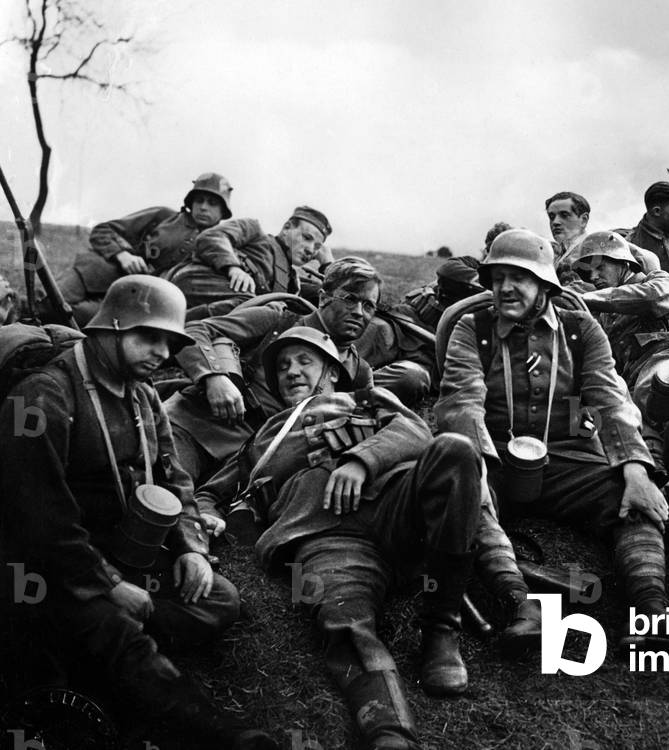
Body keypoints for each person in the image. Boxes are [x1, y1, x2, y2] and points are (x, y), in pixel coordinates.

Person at [0, 276, 273, 748]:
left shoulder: (141, 392)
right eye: (150, 337)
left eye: (169, 342)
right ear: (110, 327)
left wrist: (191, 547)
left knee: (220, 599)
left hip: (124, 548)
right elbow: (39, 521)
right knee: (111, 627)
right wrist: (108, 585)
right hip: (49, 567)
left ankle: (86, 649)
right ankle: (220, 735)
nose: (163, 353)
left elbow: (175, 479)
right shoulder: (44, 395)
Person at [195, 327, 483, 750]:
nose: (291, 371)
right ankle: (390, 732)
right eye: (283, 366)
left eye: (304, 361)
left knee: (456, 450)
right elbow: (210, 492)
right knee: (343, 617)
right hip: (325, 535)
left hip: (396, 505)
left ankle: (441, 629)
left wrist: (361, 461)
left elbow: (418, 432)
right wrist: (206, 512)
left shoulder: (364, 399)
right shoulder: (261, 438)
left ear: (331, 371)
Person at [436, 229, 669, 653]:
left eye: (519, 277)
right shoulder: (473, 329)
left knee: (631, 494)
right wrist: (480, 471)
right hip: (497, 459)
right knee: (466, 496)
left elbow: (609, 399)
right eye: (497, 277)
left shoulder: (581, 330)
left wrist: (636, 471)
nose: (506, 288)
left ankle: (652, 612)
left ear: (545, 283)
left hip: (569, 457)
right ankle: (522, 605)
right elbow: (461, 404)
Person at [165, 257, 376, 485]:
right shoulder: (278, 321)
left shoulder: (358, 370)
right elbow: (196, 329)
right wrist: (213, 376)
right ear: (324, 298)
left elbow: (366, 426)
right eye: (350, 299)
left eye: (368, 306)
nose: (358, 312)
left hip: (254, 462)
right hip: (202, 426)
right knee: (168, 492)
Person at [58, 172, 233, 325]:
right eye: (199, 200)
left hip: (134, 303)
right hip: (98, 274)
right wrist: (123, 254)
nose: (203, 207)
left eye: (212, 203)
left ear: (222, 211)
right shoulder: (164, 216)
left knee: (76, 318)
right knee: (48, 303)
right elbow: (103, 230)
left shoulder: (221, 245)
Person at [570, 230, 669, 410]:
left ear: (624, 262)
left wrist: (582, 299)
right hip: (634, 376)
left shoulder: (658, 279)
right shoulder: (604, 315)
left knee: (650, 396)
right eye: (588, 273)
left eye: (600, 267)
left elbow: (651, 297)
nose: (593, 277)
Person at [169, 205, 333, 312]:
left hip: (231, 308)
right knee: (258, 306)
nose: (310, 249)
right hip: (197, 283)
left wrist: (327, 264)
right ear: (287, 228)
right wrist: (234, 268)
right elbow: (212, 236)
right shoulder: (255, 231)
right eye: (306, 237)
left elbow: (331, 298)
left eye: (317, 247)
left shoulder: (293, 282)